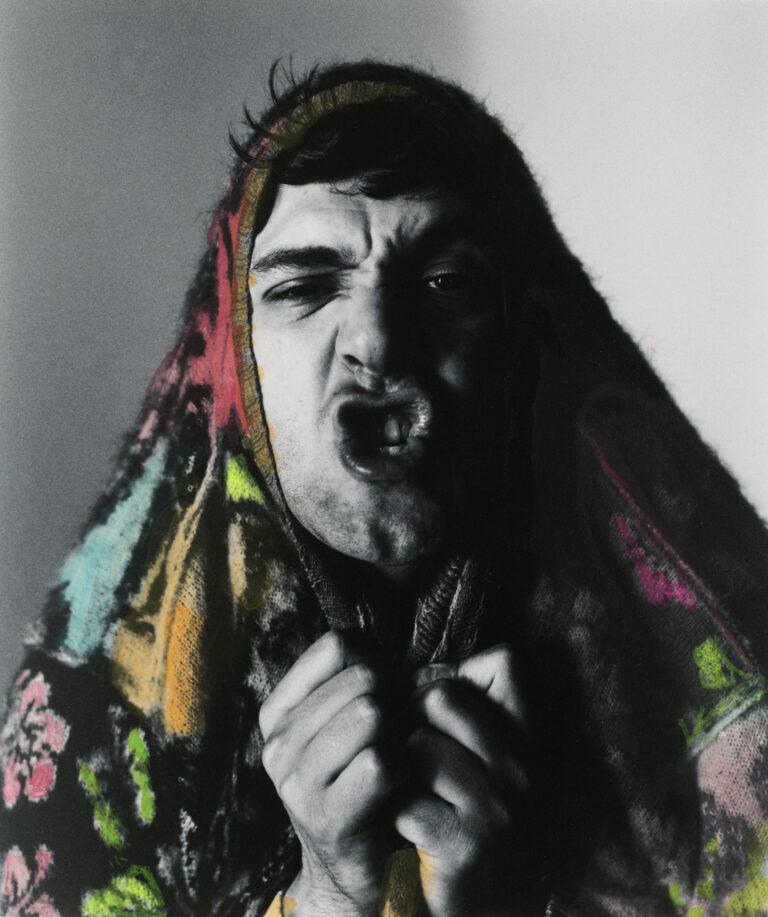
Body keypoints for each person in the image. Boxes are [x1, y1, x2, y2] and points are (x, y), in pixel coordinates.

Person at [2, 61, 768, 917]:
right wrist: (329, 898)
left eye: (448, 282)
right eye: (303, 286)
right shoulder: (93, 713)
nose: (377, 339)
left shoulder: (735, 666)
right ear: (238, 364)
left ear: (521, 348)